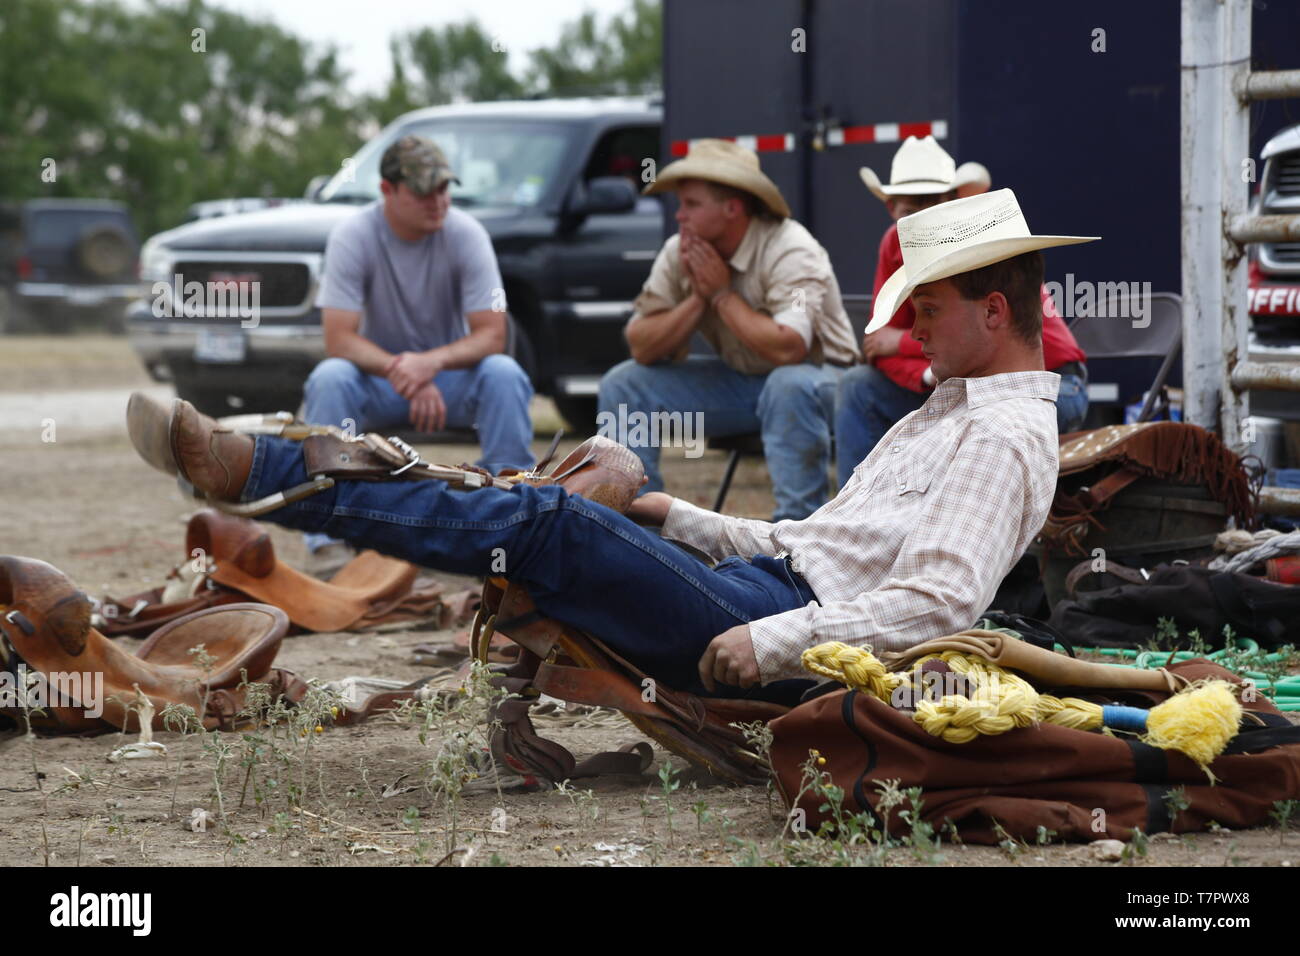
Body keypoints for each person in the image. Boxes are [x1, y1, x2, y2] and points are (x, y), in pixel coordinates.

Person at [127, 190, 1097, 703]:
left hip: (797, 634)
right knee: (572, 490)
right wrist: (683, 515)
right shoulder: (950, 411)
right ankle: (298, 469)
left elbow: (933, 605)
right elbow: (825, 545)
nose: (910, 330)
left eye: (926, 308)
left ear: (995, 309)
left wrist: (769, 640)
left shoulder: (1005, 434)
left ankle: (277, 471)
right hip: (783, 593)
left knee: (551, 521)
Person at [302, 135, 534, 572]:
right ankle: (326, 539)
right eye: (424, 191)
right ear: (387, 190)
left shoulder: (468, 234)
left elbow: (492, 335)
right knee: (330, 376)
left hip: (449, 386)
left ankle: (514, 524)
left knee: (503, 372)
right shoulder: (353, 235)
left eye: (444, 189)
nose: (438, 201)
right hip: (381, 382)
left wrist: (431, 363)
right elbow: (338, 338)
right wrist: (399, 368)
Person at [597, 139, 859, 521]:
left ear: (732, 208)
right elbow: (640, 345)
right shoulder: (682, 250)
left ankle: (796, 536)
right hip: (745, 387)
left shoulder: (792, 248)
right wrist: (697, 300)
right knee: (624, 383)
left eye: (691, 204)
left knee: (787, 385)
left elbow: (790, 348)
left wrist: (721, 295)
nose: (679, 216)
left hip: (825, 384)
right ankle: (633, 529)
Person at [836, 135, 1089, 486]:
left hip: (1051, 384)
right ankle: (856, 518)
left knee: (966, 419)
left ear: (953, 200)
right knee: (858, 387)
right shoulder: (896, 243)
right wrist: (928, 374)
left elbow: (975, 343)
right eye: (912, 209)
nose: (923, 219)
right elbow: (879, 343)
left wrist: (904, 347)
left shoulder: (973, 240)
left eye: (932, 204)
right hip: (964, 385)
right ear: (891, 208)